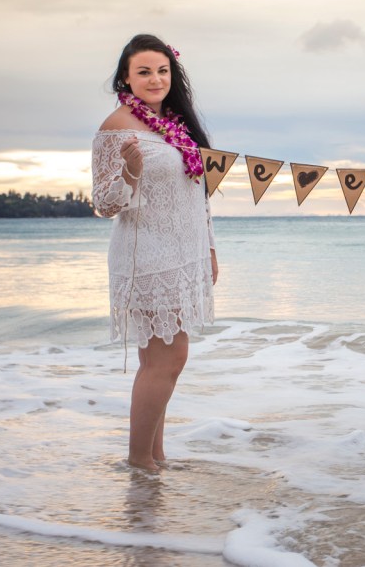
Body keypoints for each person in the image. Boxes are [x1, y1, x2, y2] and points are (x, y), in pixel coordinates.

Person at [91, 34, 218, 473]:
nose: (155, 79)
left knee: (158, 361)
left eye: (162, 71)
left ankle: (154, 459)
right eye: (144, 71)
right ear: (125, 78)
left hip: (185, 253)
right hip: (146, 255)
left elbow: (199, 194)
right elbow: (104, 204)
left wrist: (210, 248)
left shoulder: (177, 125)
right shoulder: (116, 127)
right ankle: (139, 459)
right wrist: (129, 171)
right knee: (170, 357)